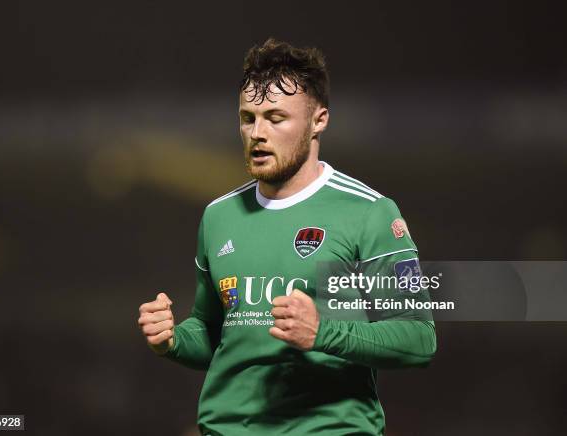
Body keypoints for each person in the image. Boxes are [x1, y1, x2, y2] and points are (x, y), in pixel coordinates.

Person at [138, 38, 436, 435]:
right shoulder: (218, 216)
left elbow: (418, 338)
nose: (257, 133)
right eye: (248, 118)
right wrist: (173, 339)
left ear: (319, 120)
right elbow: (213, 332)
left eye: (275, 118)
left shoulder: (370, 213)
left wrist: (323, 333)